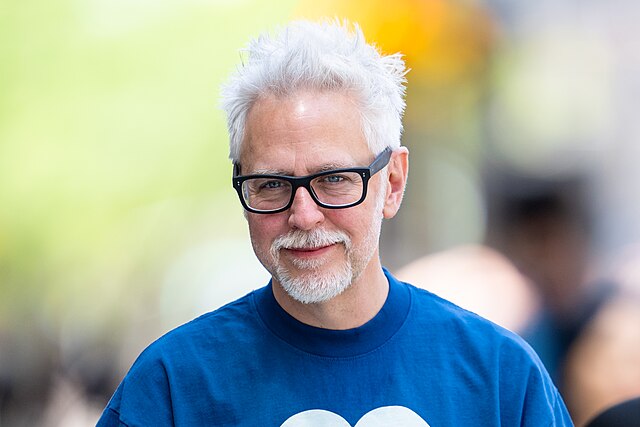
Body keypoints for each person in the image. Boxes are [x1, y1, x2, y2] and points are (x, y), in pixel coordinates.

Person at [97, 19, 572, 426]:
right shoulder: (173, 389)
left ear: (393, 182)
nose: (303, 215)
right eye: (270, 185)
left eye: (334, 180)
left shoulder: (500, 379)